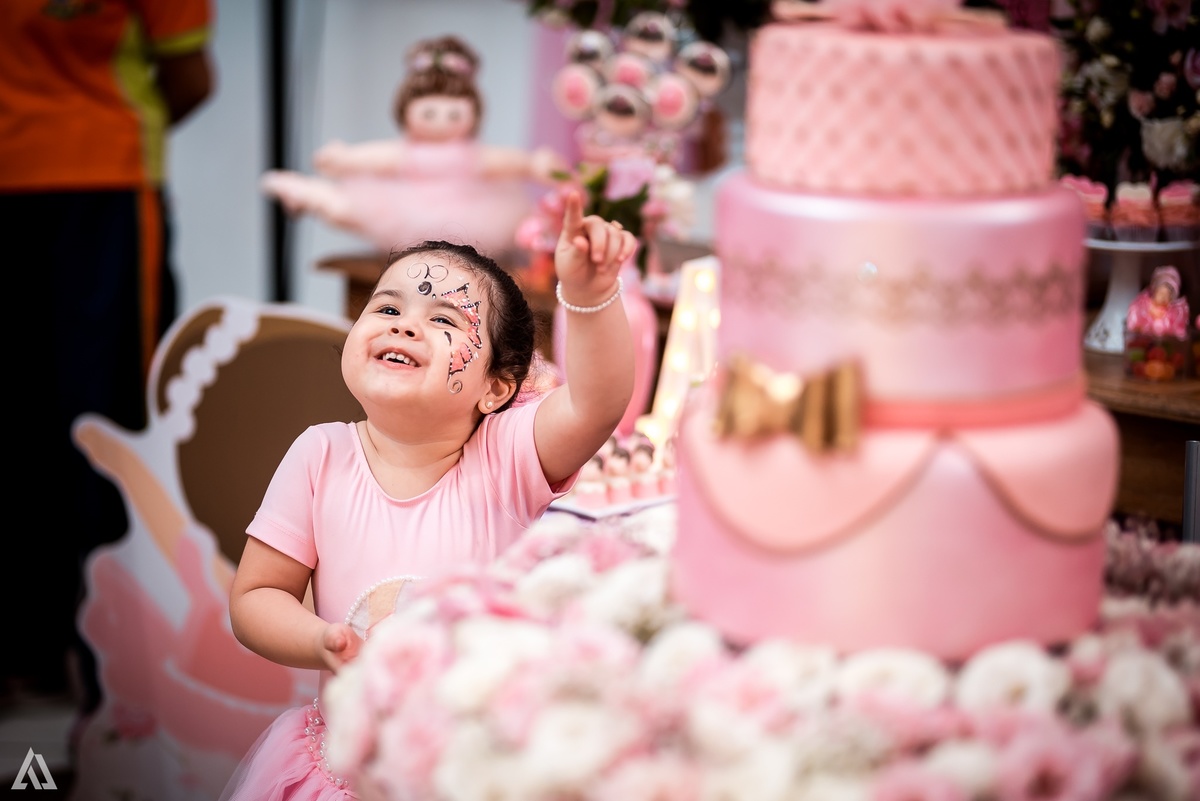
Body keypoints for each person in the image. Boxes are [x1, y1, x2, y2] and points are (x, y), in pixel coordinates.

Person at [220, 191, 636, 800]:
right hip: (345, 773)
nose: (405, 323)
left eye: (445, 321)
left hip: (479, 773)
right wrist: (319, 639)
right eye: (387, 306)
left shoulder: (508, 458)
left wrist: (592, 296)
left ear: (494, 388)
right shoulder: (320, 455)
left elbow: (597, 404)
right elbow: (256, 595)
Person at [0, 0, 214, 717]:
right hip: (101, 174)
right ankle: (100, 667)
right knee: (105, 418)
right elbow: (189, 78)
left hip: (97, 173)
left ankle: (75, 658)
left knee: (90, 419)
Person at [261, 34, 566, 257]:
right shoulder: (406, 152)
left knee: (521, 228)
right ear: (406, 111)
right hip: (406, 210)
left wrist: (533, 164)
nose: (441, 119)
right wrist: (345, 159)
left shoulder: (472, 155)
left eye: (453, 112)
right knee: (348, 208)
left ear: (472, 113)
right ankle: (310, 194)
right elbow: (377, 157)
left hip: (470, 215)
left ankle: (314, 195)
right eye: (429, 112)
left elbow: (506, 161)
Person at [1126, 265, 1191, 340]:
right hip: (1144, 340)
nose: (1163, 297)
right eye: (1161, 293)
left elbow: (1177, 331)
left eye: (1167, 295)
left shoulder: (1173, 313)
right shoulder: (1144, 306)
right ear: (1154, 292)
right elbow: (1135, 323)